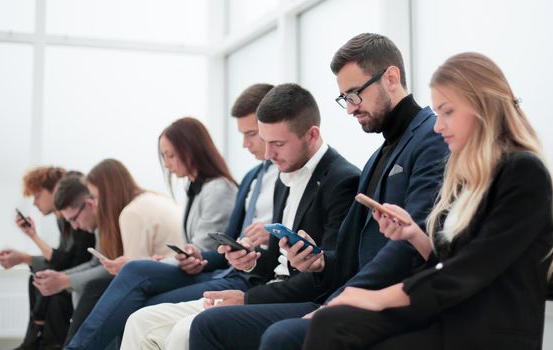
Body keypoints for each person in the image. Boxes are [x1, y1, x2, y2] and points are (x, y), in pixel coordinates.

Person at [189, 33, 448, 350]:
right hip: (348, 291)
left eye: (354, 95)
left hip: (390, 298)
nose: (350, 109)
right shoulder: (377, 157)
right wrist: (319, 261)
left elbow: (414, 241)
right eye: (345, 99)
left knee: (277, 337)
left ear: (391, 78)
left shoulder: (431, 139)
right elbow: (349, 250)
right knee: (209, 324)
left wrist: (341, 300)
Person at [303, 52, 553, 350]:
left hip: (487, 329)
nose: (437, 125)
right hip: (452, 315)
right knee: (331, 322)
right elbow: (450, 262)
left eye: (447, 112)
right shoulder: (468, 179)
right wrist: (414, 235)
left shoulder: (524, 173)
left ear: (482, 107)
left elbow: (469, 271)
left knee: (341, 326)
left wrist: (376, 296)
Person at [120, 83, 361, 350]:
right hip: (267, 287)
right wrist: (249, 261)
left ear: (312, 135)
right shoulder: (284, 174)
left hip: (304, 299)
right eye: (265, 141)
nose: (268, 155)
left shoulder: (343, 181)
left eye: (277, 144)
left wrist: (248, 299)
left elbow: (329, 276)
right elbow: (275, 262)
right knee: (139, 321)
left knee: (183, 332)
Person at [64, 116, 239, 349]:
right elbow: (192, 251)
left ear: (192, 149)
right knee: (129, 283)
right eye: (164, 156)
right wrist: (164, 260)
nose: (167, 163)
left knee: (133, 275)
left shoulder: (217, 189)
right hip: (195, 267)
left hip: (213, 271)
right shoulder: (195, 189)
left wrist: (163, 261)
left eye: (170, 155)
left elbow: (205, 252)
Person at [0, 167, 94, 350]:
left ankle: (41, 343)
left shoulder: (76, 217)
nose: (35, 203)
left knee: (48, 285)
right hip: (75, 272)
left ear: (55, 189)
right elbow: (62, 258)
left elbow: (66, 261)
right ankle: (34, 340)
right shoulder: (64, 219)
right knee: (37, 278)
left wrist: (32, 240)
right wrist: (31, 239)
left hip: (81, 278)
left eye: (38, 195)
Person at [85, 158, 184, 276]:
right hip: (184, 270)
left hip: (176, 275)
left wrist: (122, 269)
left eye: (96, 197)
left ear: (109, 194)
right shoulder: (155, 197)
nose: (95, 204)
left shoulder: (131, 213)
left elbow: (135, 275)